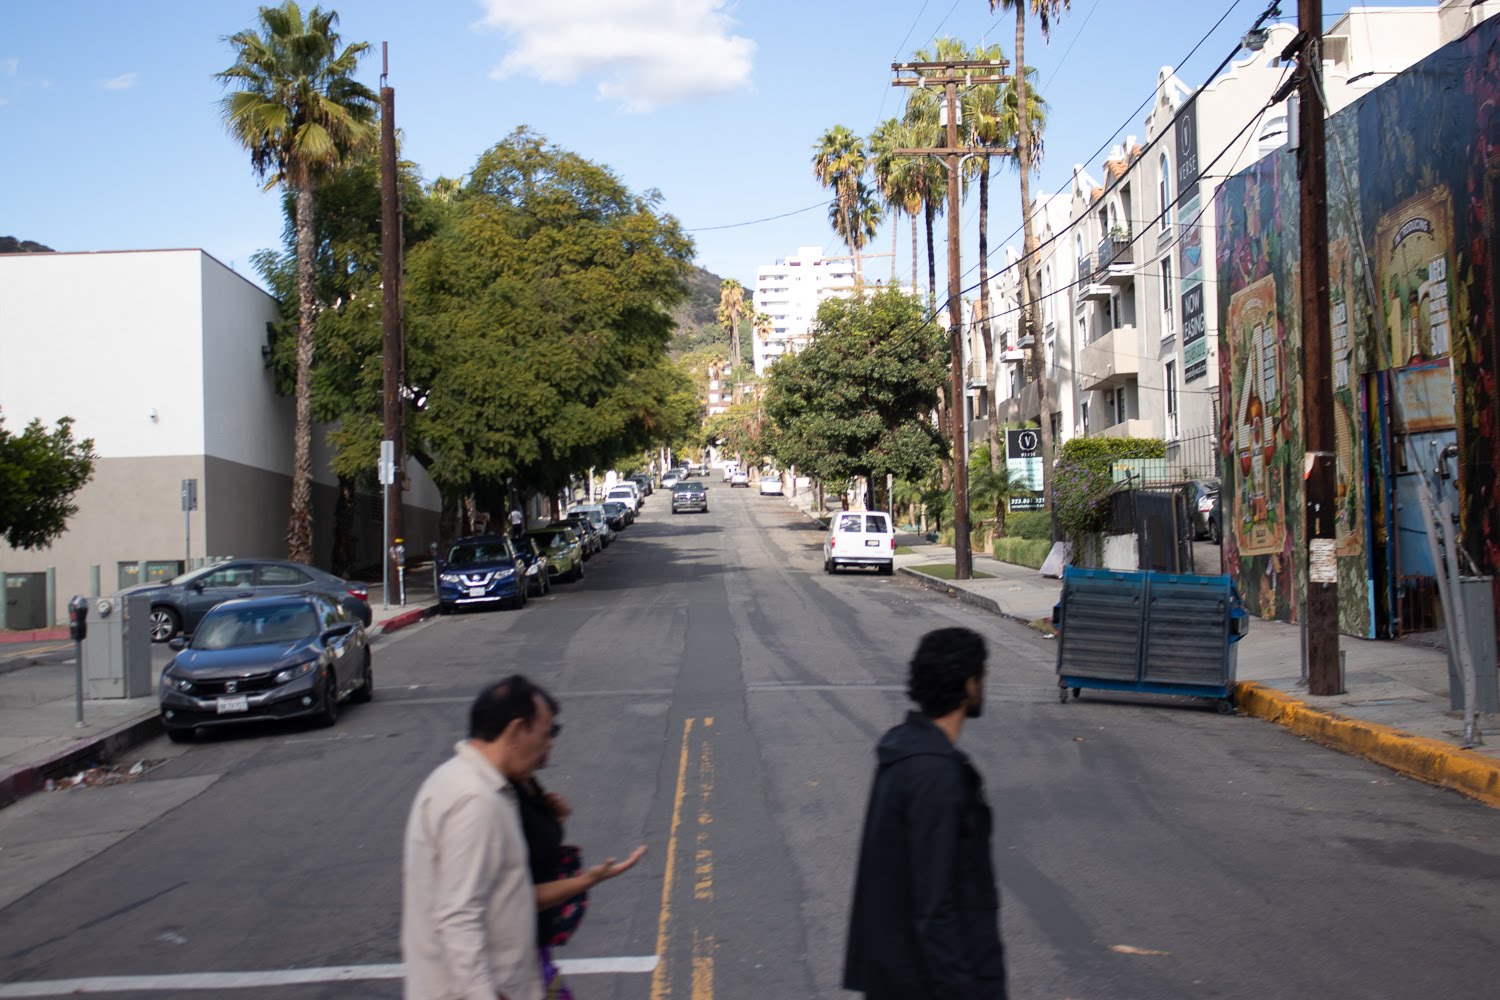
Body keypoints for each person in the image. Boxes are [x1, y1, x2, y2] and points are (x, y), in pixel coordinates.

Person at [843, 627, 1006, 1000]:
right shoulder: (935, 775)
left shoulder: (904, 754)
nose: (985, 683)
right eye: (982, 675)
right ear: (968, 684)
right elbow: (935, 906)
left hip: (898, 976)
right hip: (928, 983)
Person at [402, 676, 554, 1000]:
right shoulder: (474, 800)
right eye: (543, 738)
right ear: (515, 731)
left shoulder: (465, 781)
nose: (546, 752)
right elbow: (459, 916)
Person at [506, 690, 647, 999]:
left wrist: (555, 822)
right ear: (516, 731)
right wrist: (588, 880)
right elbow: (511, 897)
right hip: (508, 968)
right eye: (547, 733)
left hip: (529, 954)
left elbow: (532, 858)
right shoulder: (489, 796)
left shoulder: (521, 784)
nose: (551, 742)